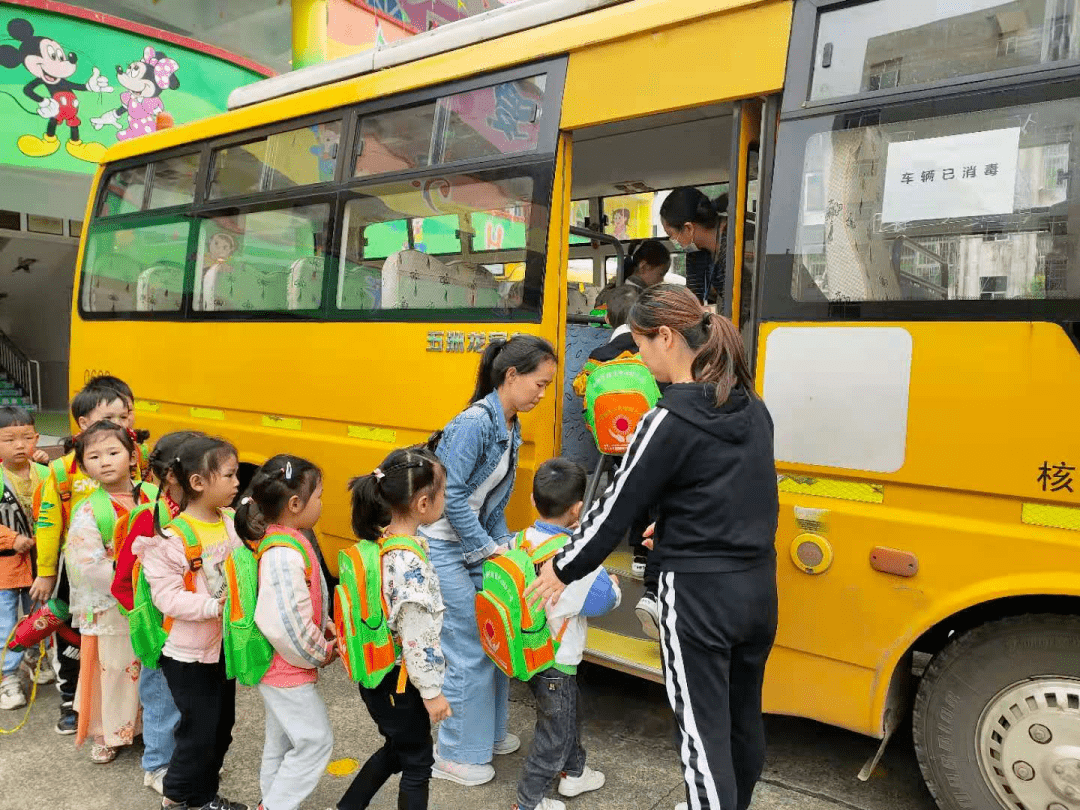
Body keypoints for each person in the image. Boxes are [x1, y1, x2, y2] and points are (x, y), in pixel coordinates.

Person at [528, 284, 779, 810]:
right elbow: (743, 495)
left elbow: (612, 510)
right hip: (757, 590)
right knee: (740, 723)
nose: (639, 360)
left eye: (640, 346)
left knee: (702, 743)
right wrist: (675, 526)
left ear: (666, 337)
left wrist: (562, 567)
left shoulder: (668, 416)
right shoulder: (751, 406)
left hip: (697, 597)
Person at [421, 335, 557, 786]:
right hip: (443, 544)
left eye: (547, 386)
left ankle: (489, 735)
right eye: (538, 384)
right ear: (511, 375)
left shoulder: (510, 422)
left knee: (496, 635)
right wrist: (488, 548)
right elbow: (452, 494)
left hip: (470, 542)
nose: (542, 393)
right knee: (467, 646)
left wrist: (503, 548)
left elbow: (492, 504)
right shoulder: (474, 424)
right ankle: (454, 753)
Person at [136, 435, 247, 810]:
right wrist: (214, 607)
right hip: (187, 654)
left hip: (223, 649)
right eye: (230, 476)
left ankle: (203, 797)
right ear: (198, 483)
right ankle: (177, 798)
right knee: (197, 733)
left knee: (221, 731)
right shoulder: (169, 539)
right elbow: (167, 598)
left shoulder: (233, 523)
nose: (237, 483)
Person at [340, 446, 452, 810]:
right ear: (422, 504)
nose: (446, 499)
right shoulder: (409, 565)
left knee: (398, 749)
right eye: (444, 492)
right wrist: (432, 692)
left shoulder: (383, 541)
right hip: (402, 684)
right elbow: (418, 638)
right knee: (419, 763)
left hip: (381, 677)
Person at [31, 376, 142, 734]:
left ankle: (132, 710)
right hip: (79, 570)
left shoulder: (135, 462)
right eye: (110, 417)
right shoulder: (64, 469)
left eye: (125, 417)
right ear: (82, 424)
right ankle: (71, 700)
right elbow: (48, 522)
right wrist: (46, 572)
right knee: (72, 635)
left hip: (130, 570)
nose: (120, 425)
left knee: (125, 642)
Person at [512, 458, 619, 810]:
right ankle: (529, 801)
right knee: (553, 734)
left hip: (528, 650)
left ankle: (574, 773)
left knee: (565, 717)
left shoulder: (520, 541)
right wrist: (615, 586)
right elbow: (602, 600)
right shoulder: (573, 557)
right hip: (558, 661)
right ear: (577, 509)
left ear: (532, 500)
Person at [234, 455, 336, 810]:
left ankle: (271, 798)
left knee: (280, 742)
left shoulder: (290, 540)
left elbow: (303, 599)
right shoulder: (283, 553)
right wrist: (320, 651)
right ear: (295, 504)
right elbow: (284, 624)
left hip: (282, 667)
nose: (322, 503)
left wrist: (323, 624)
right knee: (315, 741)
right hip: (286, 669)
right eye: (319, 496)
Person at [112, 431, 199, 794]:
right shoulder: (147, 519)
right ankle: (158, 765)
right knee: (162, 698)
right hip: (162, 634)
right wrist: (150, 626)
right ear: (177, 477)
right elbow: (123, 584)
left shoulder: (213, 516)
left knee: (192, 702)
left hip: (198, 632)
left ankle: (185, 765)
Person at [64, 421, 152, 762]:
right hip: (113, 602)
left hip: (152, 597)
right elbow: (85, 562)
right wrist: (127, 578)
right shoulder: (89, 509)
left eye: (113, 452)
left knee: (147, 663)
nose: (105, 462)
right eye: (94, 456)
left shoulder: (152, 496)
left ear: (132, 456)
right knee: (112, 666)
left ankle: (146, 725)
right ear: (83, 465)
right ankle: (106, 732)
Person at [0, 406, 47, 710]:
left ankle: (34, 658)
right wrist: (11, 539)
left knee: (39, 618)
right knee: (5, 622)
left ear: (36, 439)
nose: (19, 445)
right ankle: (7, 676)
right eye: (9, 439)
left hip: (41, 565)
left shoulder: (45, 473)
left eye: (26, 437)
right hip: (5, 567)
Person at [660, 188, 728, 305]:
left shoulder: (739, 246)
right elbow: (694, 298)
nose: (673, 241)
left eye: (671, 235)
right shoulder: (697, 253)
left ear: (688, 228)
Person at [592, 240, 670, 313]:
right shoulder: (636, 299)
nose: (661, 280)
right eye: (661, 274)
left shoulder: (613, 289)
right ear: (643, 267)